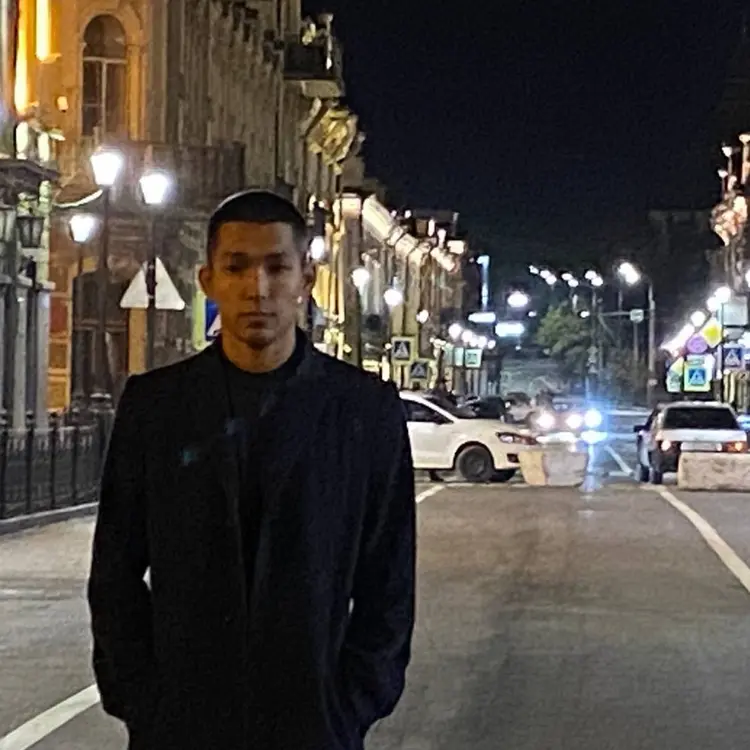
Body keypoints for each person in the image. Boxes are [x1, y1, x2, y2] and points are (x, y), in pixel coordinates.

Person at [87, 190, 416, 750]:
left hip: (314, 725)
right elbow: (115, 572)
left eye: (276, 267)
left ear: (305, 279)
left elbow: (389, 578)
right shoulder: (156, 407)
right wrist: (142, 700)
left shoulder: (364, 410)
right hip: (181, 728)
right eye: (237, 267)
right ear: (209, 280)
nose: (257, 288)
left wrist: (352, 703)